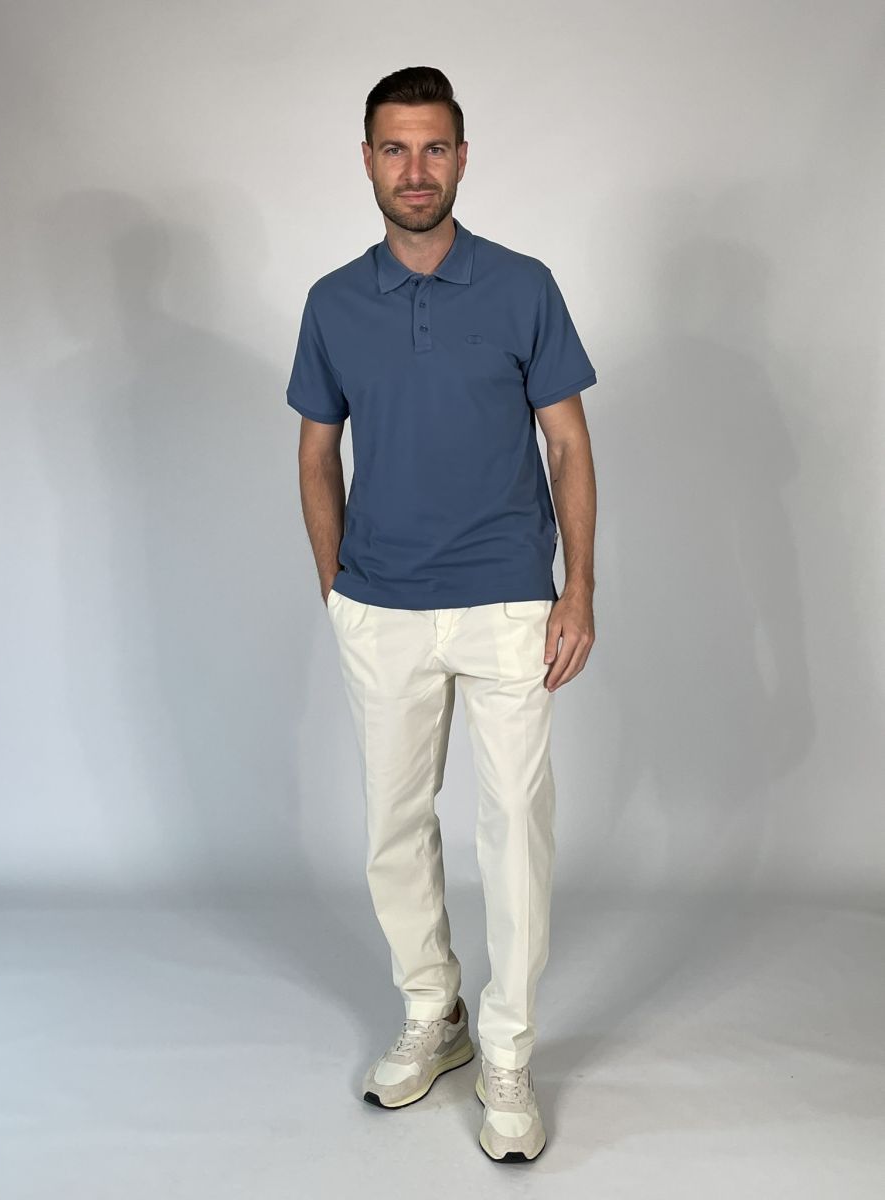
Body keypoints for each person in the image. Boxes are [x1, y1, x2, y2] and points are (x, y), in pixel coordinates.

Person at [285, 65, 598, 1163]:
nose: (413, 170)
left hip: (510, 599)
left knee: (514, 829)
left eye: (432, 148)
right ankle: (436, 1012)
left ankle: (508, 1051)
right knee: (392, 825)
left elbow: (568, 443)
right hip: (382, 606)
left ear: (462, 158)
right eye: (394, 148)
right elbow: (316, 450)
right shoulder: (332, 302)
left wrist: (578, 588)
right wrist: (336, 585)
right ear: (368, 159)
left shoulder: (523, 285)